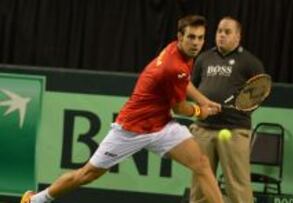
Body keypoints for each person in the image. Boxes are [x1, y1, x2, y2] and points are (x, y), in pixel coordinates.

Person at [20, 15, 225, 203]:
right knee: (86, 174)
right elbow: (180, 108)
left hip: (161, 126)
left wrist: (204, 100)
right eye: (191, 37)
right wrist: (200, 111)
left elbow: (184, 83)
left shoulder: (179, 52)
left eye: (200, 38)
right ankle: (36, 200)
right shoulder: (173, 66)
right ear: (180, 36)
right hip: (131, 129)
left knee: (202, 164)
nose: (196, 43)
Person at [190, 16, 265, 203]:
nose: (221, 35)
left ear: (238, 36)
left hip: (234, 131)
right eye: (219, 31)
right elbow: (192, 88)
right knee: (200, 184)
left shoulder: (250, 62)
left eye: (227, 32)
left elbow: (260, 92)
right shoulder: (203, 58)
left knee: (238, 186)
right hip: (203, 129)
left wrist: (240, 111)